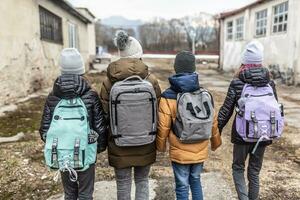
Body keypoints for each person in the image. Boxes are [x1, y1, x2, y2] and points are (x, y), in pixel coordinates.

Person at [100, 31, 161, 200]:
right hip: (146, 141)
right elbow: (158, 111)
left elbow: (105, 114)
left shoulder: (108, 82)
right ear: (139, 56)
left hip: (119, 142)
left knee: (123, 183)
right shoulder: (151, 80)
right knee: (142, 180)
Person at [39, 48, 107, 200]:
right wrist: (98, 148)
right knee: (85, 193)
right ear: (81, 69)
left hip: (62, 154)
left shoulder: (52, 97)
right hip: (86, 151)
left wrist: (62, 142)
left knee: (69, 194)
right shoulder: (91, 95)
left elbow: (44, 129)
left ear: (61, 70)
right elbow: (100, 126)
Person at [156, 51, 222, 200]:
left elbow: (163, 126)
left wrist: (160, 147)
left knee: (182, 185)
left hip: (179, 148)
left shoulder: (168, 96)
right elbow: (213, 121)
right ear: (194, 68)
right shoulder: (204, 93)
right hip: (200, 146)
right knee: (196, 180)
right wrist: (215, 142)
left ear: (175, 68)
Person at [218, 41, 278, 200]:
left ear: (244, 60)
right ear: (260, 61)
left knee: (238, 168)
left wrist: (216, 129)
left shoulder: (237, 82)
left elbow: (226, 110)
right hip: (263, 134)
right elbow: (275, 109)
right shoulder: (270, 82)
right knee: (254, 172)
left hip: (241, 134)